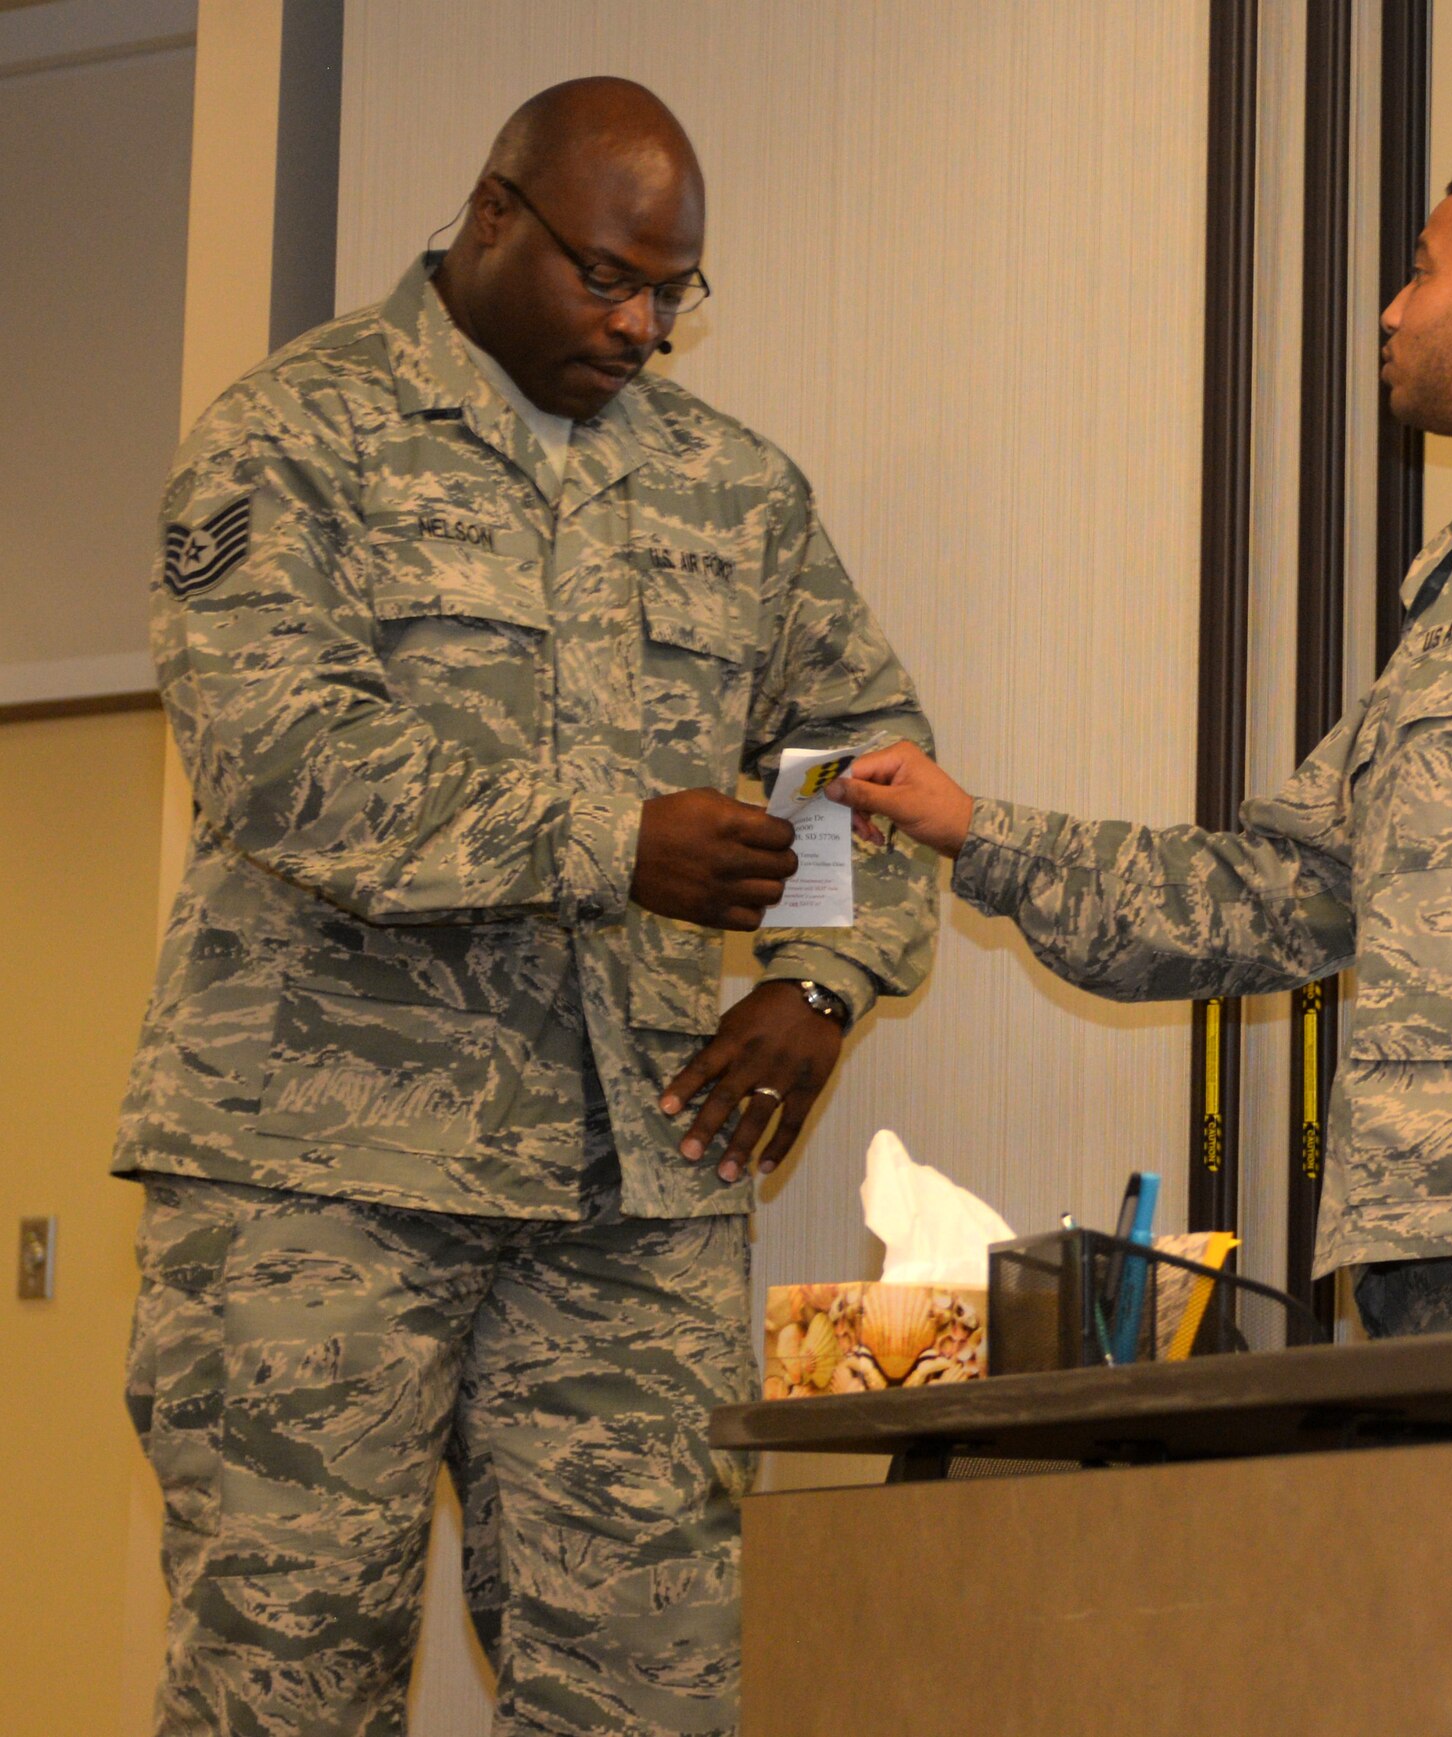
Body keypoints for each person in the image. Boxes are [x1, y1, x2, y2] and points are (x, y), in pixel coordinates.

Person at [117, 77, 936, 1735]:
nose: (641, 326)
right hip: (315, 1174)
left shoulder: (735, 493)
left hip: (633, 1194)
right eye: (607, 277)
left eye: (671, 295)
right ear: (493, 217)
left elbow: (862, 756)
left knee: (654, 1691)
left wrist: (824, 976)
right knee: (287, 1686)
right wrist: (608, 839)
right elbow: (278, 756)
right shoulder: (293, 434)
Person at [833, 153, 1452, 1339]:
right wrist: (976, 830)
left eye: (1420, 271)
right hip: (1446, 1251)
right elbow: (1279, 892)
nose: (1393, 311)